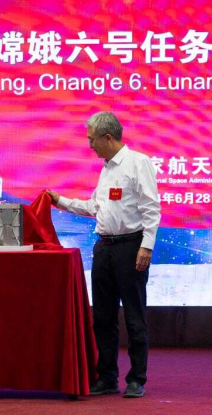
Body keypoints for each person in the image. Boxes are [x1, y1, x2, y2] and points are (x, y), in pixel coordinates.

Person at [47, 112, 160, 398]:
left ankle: (136, 379)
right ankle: (107, 377)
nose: (90, 145)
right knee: (103, 317)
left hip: (131, 247)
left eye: (92, 139)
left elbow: (151, 208)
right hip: (104, 248)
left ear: (107, 137)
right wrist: (60, 201)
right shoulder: (107, 169)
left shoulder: (138, 163)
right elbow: (94, 207)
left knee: (134, 316)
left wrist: (147, 246)